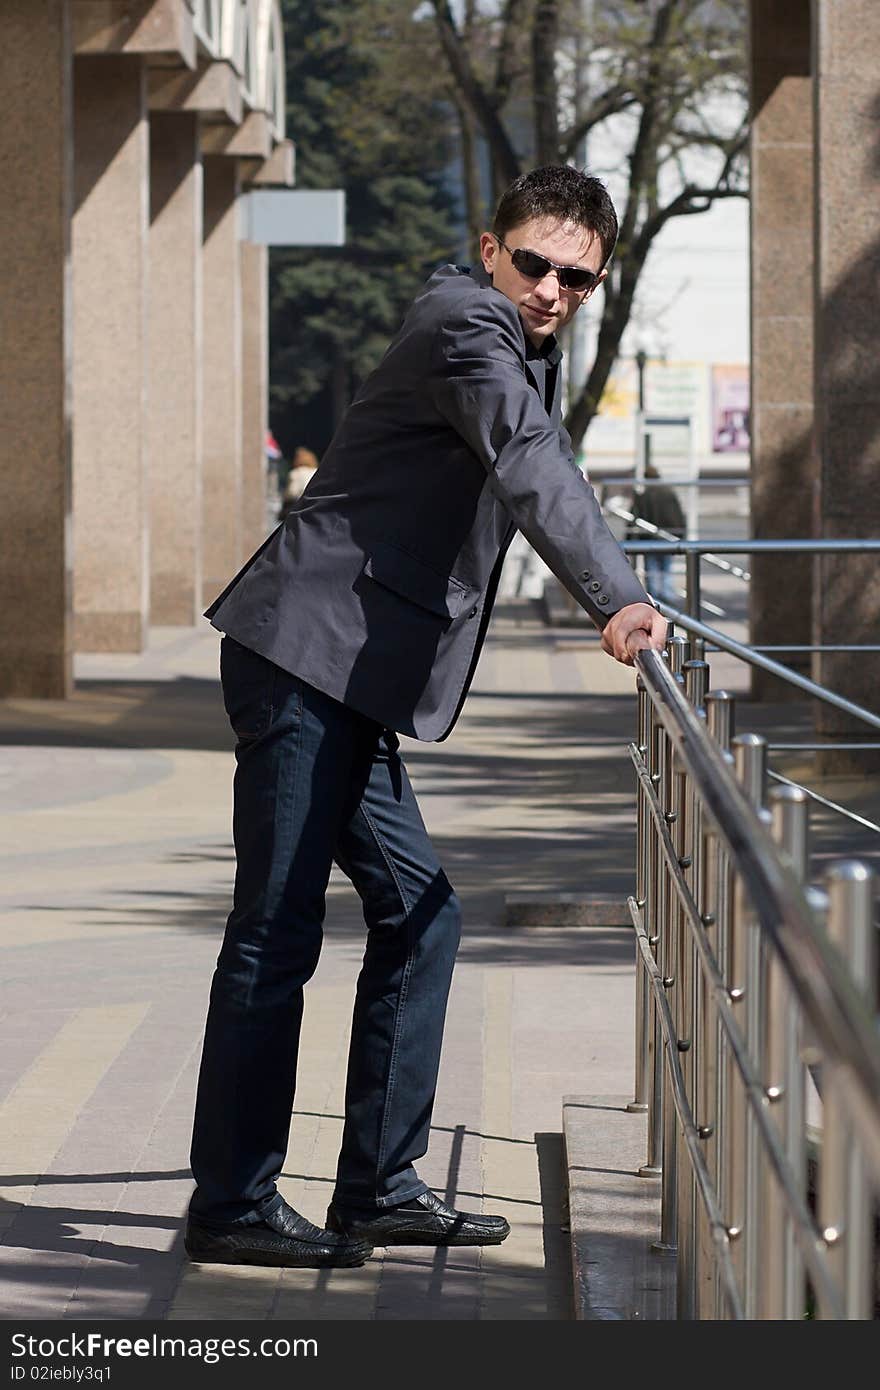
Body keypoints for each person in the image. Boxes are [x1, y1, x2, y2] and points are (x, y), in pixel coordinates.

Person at [184, 164, 666, 1271]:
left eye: (577, 280)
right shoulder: (465, 327)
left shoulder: (513, 342)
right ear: (491, 247)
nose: (551, 290)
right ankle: (231, 1201)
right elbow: (531, 461)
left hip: (348, 678)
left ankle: (378, 1187)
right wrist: (618, 594)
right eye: (536, 263)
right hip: (301, 661)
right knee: (275, 931)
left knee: (422, 912)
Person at [626, 462, 686, 604]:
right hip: (667, 535)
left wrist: (629, 539)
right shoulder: (668, 493)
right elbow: (678, 515)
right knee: (666, 568)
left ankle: (655, 599)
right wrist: (681, 535)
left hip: (648, 538)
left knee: (651, 568)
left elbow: (634, 518)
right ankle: (667, 596)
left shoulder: (643, 496)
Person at [278, 445, 319, 521]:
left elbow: (291, 492)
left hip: (299, 508)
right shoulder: (316, 472)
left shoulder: (295, 473)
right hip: (314, 506)